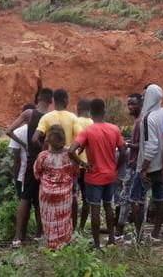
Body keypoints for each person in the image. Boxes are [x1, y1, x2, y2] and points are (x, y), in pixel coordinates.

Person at [69, 99, 126, 248]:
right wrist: (116, 167)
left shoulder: (87, 131)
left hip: (94, 176)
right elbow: (123, 151)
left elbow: (71, 150)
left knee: (95, 208)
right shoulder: (114, 129)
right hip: (110, 175)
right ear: (104, 111)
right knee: (108, 206)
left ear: (91, 113)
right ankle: (112, 239)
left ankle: (96, 244)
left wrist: (83, 164)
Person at [7, 88, 52, 247]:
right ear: (50, 101)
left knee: (25, 198)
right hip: (46, 163)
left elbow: (9, 131)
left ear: (37, 98)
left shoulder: (28, 114)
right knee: (42, 200)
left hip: (31, 163)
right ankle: (42, 235)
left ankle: (18, 238)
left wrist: (24, 145)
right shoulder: (50, 117)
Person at [130, 84, 163, 242]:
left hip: (149, 167)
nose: (142, 98)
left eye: (144, 96)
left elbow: (152, 145)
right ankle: (156, 233)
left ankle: (139, 236)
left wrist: (143, 169)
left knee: (136, 200)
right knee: (160, 199)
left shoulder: (148, 118)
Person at [34, 125, 79, 250]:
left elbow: (37, 173)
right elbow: (76, 172)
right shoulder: (70, 154)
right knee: (64, 218)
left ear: (48, 140)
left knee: (49, 218)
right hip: (65, 194)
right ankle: (64, 243)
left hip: (46, 194)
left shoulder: (43, 156)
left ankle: (51, 244)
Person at [116, 93, 143, 237]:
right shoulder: (138, 121)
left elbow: (141, 145)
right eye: (129, 104)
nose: (130, 107)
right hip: (134, 165)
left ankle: (121, 229)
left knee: (126, 198)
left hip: (134, 166)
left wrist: (126, 144)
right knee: (130, 198)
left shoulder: (140, 122)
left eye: (133, 104)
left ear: (141, 104)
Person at [6, 104, 34, 220]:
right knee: (38, 203)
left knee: (24, 202)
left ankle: (21, 232)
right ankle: (39, 232)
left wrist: (15, 176)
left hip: (23, 174)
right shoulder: (40, 131)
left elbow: (16, 159)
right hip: (37, 172)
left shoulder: (17, 132)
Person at [71, 99, 93, 231]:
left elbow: (76, 143)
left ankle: (73, 226)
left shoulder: (75, 122)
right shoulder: (92, 123)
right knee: (87, 199)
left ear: (78, 108)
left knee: (73, 196)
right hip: (88, 166)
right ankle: (82, 227)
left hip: (75, 163)